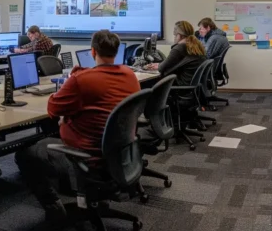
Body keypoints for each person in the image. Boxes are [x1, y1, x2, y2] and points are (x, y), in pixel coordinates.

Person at [14, 30, 141, 228]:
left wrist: (74, 80)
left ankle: (53, 207)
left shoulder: (82, 80)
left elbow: (53, 109)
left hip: (88, 155)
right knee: (54, 132)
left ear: (92, 52)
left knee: (24, 154)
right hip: (119, 154)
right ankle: (81, 189)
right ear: (116, 52)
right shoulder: (130, 75)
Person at [145, 21, 206, 88]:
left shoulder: (179, 48)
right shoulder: (195, 45)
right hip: (190, 83)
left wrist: (159, 65)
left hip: (180, 85)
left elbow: (161, 68)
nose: (174, 38)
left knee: (147, 82)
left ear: (180, 35)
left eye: (175, 35)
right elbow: (178, 63)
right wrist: (160, 64)